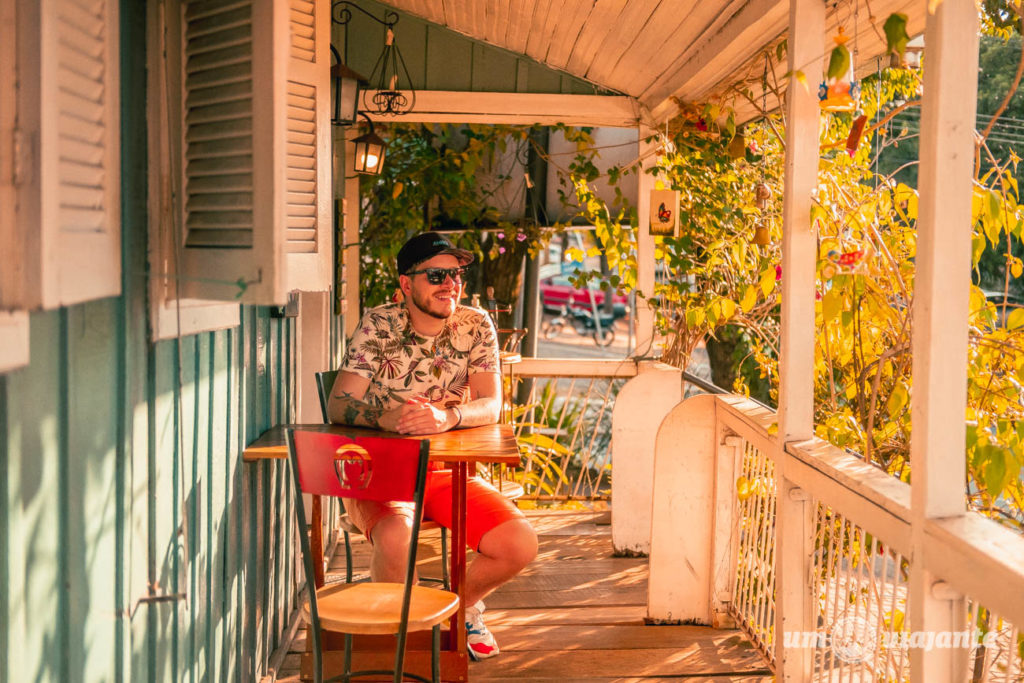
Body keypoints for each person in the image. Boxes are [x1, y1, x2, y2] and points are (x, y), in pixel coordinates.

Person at [327, 232, 538, 661]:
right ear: (407, 284)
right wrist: (386, 417)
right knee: (397, 539)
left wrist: (448, 418)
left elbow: (491, 404)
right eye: (437, 275)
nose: (451, 285)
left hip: (446, 472)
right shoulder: (379, 324)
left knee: (519, 543)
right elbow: (338, 403)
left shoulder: (475, 325)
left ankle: (457, 610)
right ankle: (388, 647)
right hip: (380, 471)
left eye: (456, 274)